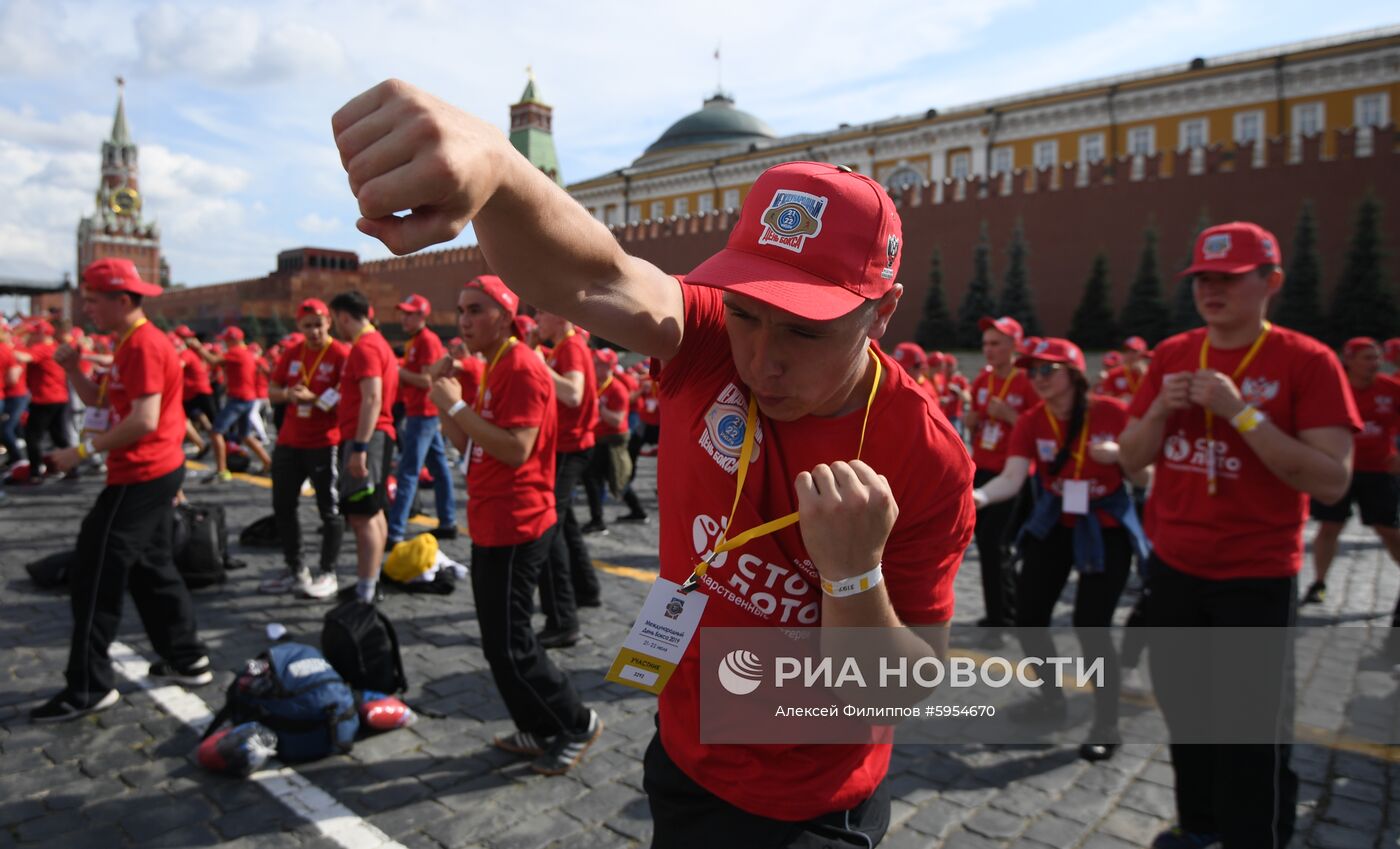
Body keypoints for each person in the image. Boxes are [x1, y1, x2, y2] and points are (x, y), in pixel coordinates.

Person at [331, 79, 974, 845]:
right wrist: (499, 172)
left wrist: (853, 575)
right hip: (683, 753)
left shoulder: (924, 454)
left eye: (806, 332)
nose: (762, 361)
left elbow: (901, 691)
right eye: (745, 314)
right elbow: (595, 276)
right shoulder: (707, 343)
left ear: (883, 310)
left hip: (811, 803)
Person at [1118, 222, 1359, 849]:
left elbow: (1332, 482)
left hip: (1254, 576)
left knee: (1252, 734)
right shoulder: (1173, 353)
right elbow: (1130, 459)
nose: (1211, 290)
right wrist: (1161, 410)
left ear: (1271, 282)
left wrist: (1240, 413)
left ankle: (1255, 838)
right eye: (1202, 278)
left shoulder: (1308, 361)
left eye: (1228, 278)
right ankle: (1197, 826)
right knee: (1187, 716)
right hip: (1174, 568)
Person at [427, 274, 602, 775]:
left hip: (518, 520)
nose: (464, 319)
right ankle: (540, 725)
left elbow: (516, 448)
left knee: (512, 642)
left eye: (475, 310)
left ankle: (576, 720)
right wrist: (449, 403)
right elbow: (470, 446)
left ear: (504, 316)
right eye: (461, 309)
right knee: (498, 642)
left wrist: (455, 404)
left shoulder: (522, 366)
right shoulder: (493, 365)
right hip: (491, 516)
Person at [30, 258, 211, 722]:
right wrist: (73, 370)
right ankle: (187, 657)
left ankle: (89, 684)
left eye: (93, 299)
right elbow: (101, 400)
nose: (86, 307)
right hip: (149, 470)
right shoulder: (129, 342)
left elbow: (144, 419)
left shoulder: (144, 345)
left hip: (143, 473)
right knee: (152, 565)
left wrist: (82, 453)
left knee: (94, 572)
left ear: (123, 300)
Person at [972, 337, 1149, 762]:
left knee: (1092, 625)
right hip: (1056, 524)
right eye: (1033, 371)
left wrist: (1123, 456)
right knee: (1029, 618)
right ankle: (1050, 696)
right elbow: (1013, 479)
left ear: (1073, 374)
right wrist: (977, 497)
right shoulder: (1032, 420)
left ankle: (1106, 721)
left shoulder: (1112, 412)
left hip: (1104, 526)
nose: (1038, 378)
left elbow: (1146, 478)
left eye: (1048, 370)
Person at [261, 298, 350, 600]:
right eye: (307, 326)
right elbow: (271, 393)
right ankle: (296, 568)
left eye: (318, 324)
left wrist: (314, 398)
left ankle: (328, 571)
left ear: (329, 323)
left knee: (329, 509)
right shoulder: (292, 352)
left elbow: (347, 395)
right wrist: (289, 394)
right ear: (299, 326)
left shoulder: (340, 353)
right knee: (283, 506)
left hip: (324, 442)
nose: (313, 331)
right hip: (289, 440)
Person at [1303, 337, 1400, 608]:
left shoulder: (1390, 389)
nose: (1376, 363)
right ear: (1349, 361)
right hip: (1339, 469)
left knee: (1389, 530)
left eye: (1378, 357)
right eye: (1368, 358)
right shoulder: (1332, 388)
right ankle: (1318, 583)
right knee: (1329, 526)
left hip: (1379, 470)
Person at [535, 309, 602, 648]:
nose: (536, 319)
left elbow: (573, 394)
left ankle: (562, 619)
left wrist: (540, 366)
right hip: (570, 445)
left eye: (540, 312)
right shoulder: (567, 346)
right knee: (568, 525)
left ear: (558, 316)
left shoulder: (570, 346)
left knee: (550, 527)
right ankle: (586, 589)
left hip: (569, 446)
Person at [329, 290, 398, 604]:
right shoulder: (376, 343)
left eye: (334, 320)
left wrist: (359, 447)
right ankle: (369, 582)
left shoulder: (365, 347)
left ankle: (366, 590)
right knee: (373, 512)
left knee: (362, 517)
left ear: (344, 316)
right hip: (373, 436)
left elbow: (372, 398)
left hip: (368, 438)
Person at [966, 315, 1035, 627]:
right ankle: (1007, 609)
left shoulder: (1028, 380)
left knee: (996, 544)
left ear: (1014, 345)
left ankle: (1004, 613)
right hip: (982, 471)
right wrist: (972, 421)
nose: (988, 349)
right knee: (990, 544)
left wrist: (1010, 415)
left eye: (996, 343)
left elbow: (1040, 427)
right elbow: (978, 421)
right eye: (985, 344)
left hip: (1014, 473)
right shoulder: (983, 380)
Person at [386, 293, 458, 547]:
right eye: (403, 313)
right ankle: (448, 521)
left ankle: (394, 532)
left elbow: (427, 380)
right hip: (422, 412)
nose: (404, 317)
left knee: (408, 472)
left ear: (422, 315)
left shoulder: (426, 340)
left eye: (409, 313)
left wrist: (397, 371)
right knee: (438, 469)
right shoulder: (418, 340)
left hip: (422, 414)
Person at [189, 326, 271, 481]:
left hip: (239, 398)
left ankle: (221, 469)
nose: (225, 343)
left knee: (216, 432)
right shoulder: (246, 352)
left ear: (233, 339)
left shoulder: (237, 352)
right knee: (245, 435)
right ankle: (268, 462)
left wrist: (198, 347)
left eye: (226, 340)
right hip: (248, 397)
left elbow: (213, 361)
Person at [583, 347, 647, 531]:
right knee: (604, 478)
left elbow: (618, 419)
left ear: (610, 366)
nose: (595, 366)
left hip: (613, 439)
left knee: (611, 478)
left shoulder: (617, 388)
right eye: (596, 363)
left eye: (600, 364)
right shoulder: (596, 383)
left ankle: (599, 520)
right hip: (601, 437)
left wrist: (598, 408)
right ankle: (634, 512)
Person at [18, 319, 75, 479]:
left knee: (32, 436)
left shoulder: (42, 348)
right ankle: (72, 468)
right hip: (58, 397)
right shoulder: (53, 347)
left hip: (45, 398)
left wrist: (9, 348)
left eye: (33, 333)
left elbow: (24, 357)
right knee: (59, 436)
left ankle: (35, 471)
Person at [0, 320, 28, 468]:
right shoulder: (10, 349)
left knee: (6, 429)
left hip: (16, 394)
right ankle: (15, 458)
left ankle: (18, 459)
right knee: (8, 428)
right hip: (9, 394)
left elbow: (13, 377)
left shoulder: (12, 349)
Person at [1099, 337, 1151, 404]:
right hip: (1121, 412)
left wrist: (1144, 374)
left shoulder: (1150, 372)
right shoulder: (1114, 373)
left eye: (1134, 351)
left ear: (1143, 353)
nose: (1129, 354)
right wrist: (1119, 401)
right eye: (1127, 350)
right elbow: (1107, 400)